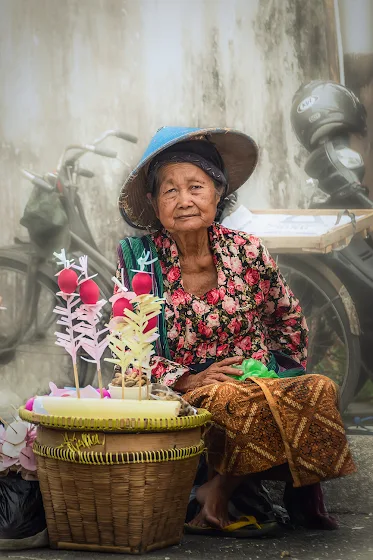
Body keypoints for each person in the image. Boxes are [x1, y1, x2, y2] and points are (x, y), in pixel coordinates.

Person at [116, 126, 356, 536]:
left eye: (196, 186)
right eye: (170, 191)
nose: (184, 200)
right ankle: (219, 496)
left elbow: (287, 317)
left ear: (218, 192)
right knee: (229, 399)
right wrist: (188, 377)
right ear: (155, 205)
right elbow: (127, 350)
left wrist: (282, 370)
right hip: (182, 385)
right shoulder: (140, 262)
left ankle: (216, 490)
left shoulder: (247, 250)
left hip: (256, 376)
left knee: (317, 389)